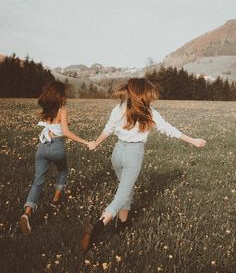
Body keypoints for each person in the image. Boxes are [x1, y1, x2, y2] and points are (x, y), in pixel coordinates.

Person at [81, 77, 206, 251]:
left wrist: (95, 142)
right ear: (143, 94)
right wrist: (192, 140)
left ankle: (122, 224)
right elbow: (168, 129)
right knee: (122, 195)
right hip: (134, 154)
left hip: (117, 153)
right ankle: (99, 224)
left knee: (126, 189)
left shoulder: (119, 108)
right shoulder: (150, 112)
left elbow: (108, 129)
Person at [20, 81, 89, 234]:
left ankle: (27, 212)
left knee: (37, 182)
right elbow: (65, 132)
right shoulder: (62, 110)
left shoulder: (45, 110)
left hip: (42, 148)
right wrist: (85, 142)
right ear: (60, 95)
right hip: (56, 147)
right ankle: (55, 201)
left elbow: (52, 125)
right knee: (63, 171)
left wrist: (63, 124)